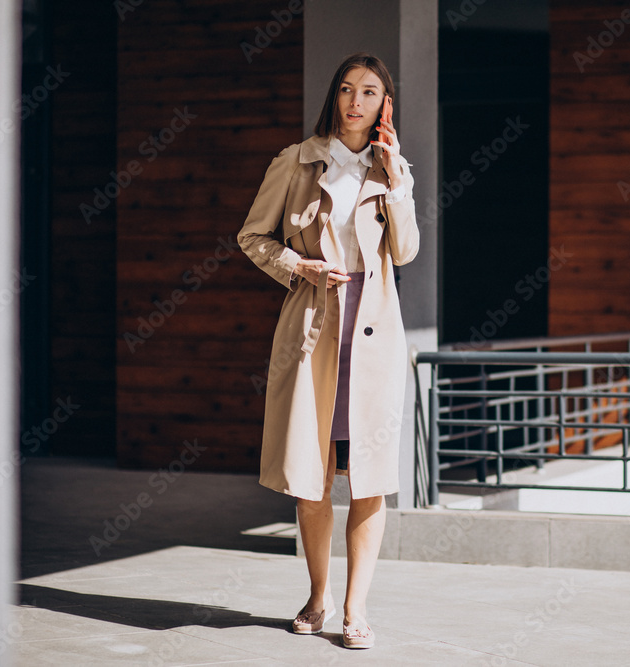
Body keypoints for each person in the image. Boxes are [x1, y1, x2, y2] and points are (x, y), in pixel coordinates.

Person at [237, 52, 418, 649]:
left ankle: (355, 608)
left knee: (368, 480)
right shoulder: (296, 161)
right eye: (346, 89)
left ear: (384, 104)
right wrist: (299, 265)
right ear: (334, 96)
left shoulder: (392, 168)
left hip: (375, 333)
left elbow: (408, 250)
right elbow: (252, 236)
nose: (355, 101)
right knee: (312, 479)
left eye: (369, 92)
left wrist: (396, 180)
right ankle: (317, 595)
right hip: (314, 328)